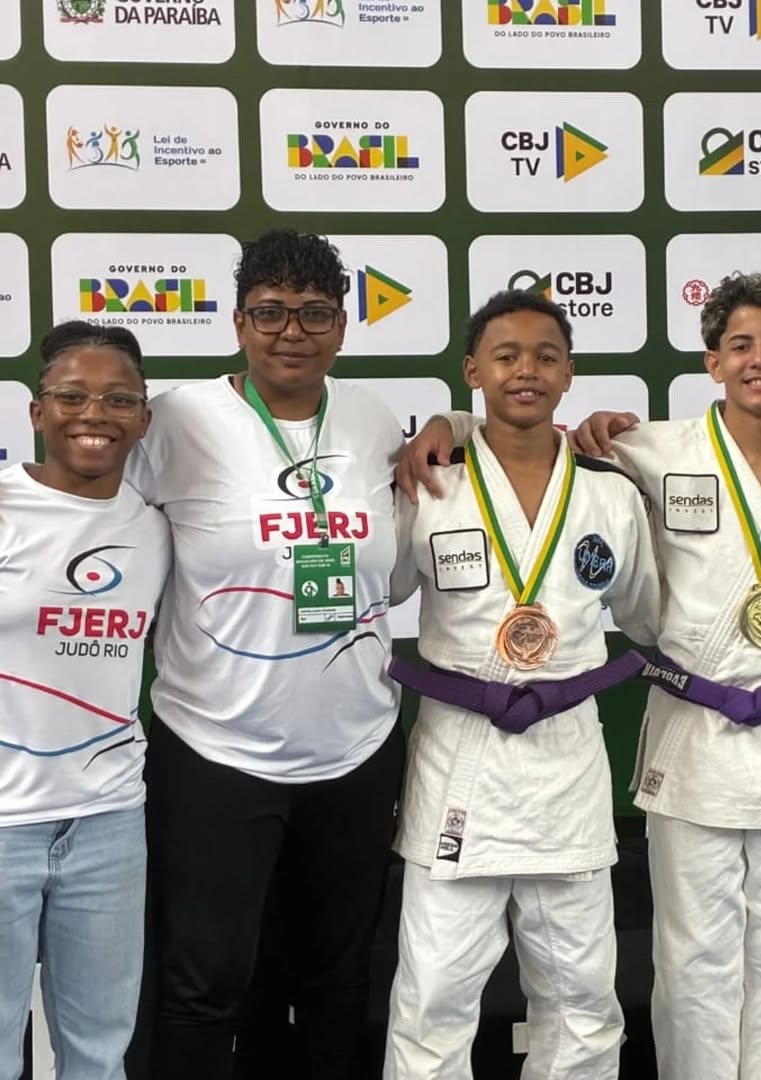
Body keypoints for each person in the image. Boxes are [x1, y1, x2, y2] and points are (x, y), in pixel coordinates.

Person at [401, 274, 761, 1080]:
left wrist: (462, 416)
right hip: (690, 735)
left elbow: (651, 600)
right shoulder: (644, 453)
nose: (759, 359)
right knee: (693, 961)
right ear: (712, 362)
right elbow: (524, 429)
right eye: (739, 345)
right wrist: (451, 422)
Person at [127, 230, 406, 1080]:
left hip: (355, 751)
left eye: (315, 313)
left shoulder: (372, 419)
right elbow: (99, 524)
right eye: (272, 312)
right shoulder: (177, 419)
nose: (293, 332)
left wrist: (454, 423)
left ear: (343, 326)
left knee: (336, 981)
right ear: (239, 321)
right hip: (216, 752)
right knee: (203, 985)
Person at [383, 289, 661, 1080]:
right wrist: (444, 429)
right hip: (461, 758)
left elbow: (644, 614)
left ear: (569, 373)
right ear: (473, 371)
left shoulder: (610, 492)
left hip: (565, 762)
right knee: (433, 1000)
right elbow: (385, 586)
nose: (526, 371)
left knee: (582, 1000)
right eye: (506, 356)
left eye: (546, 356)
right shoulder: (431, 482)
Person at [0, 322, 170, 1080]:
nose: (94, 414)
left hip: (108, 821)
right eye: (72, 396)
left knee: (100, 1052)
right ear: (38, 411)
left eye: (117, 399)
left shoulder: (157, 528)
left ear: (143, 418)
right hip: (3, 822)